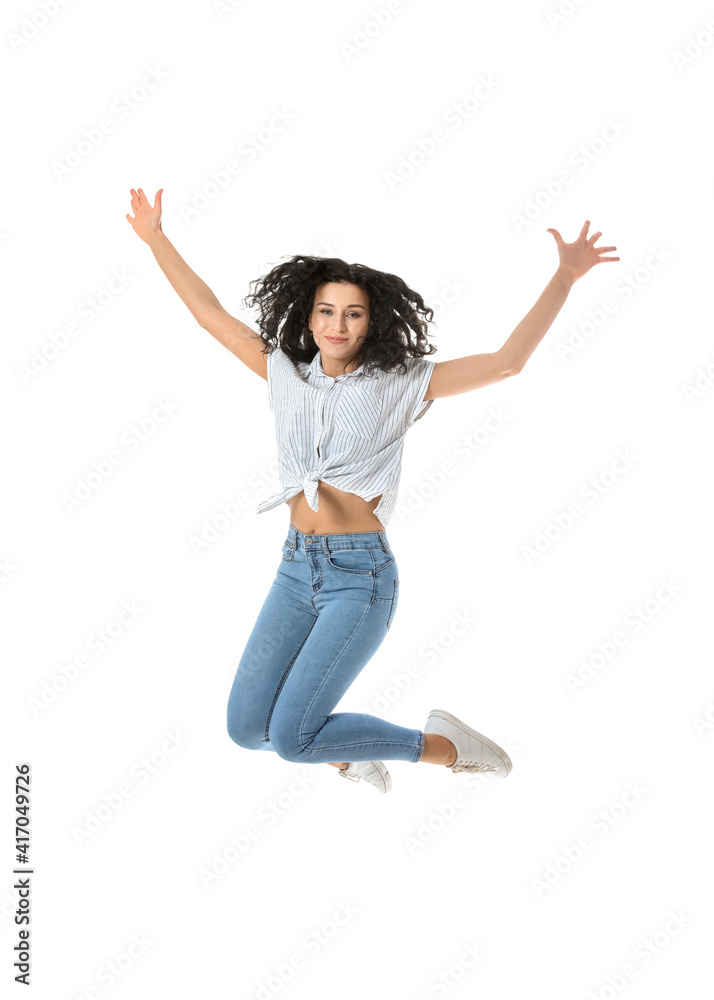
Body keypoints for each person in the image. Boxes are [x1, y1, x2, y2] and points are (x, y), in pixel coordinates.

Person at [126, 187, 619, 793]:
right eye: (327, 311)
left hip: (358, 578)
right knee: (245, 729)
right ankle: (342, 751)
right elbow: (210, 315)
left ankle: (443, 747)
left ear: (370, 322)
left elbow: (505, 362)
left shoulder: (400, 384)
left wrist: (564, 279)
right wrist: (155, 238)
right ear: (308, 316)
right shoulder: (283, 371)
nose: (338, 324)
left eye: (353, 313)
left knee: (290, 739)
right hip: (293, 569)